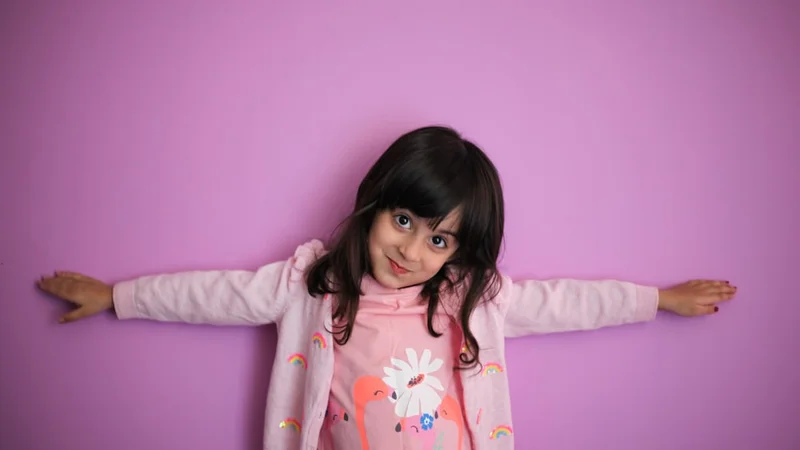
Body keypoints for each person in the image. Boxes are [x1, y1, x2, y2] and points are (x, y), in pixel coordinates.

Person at [36, 125, 736, 449]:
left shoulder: (471, 298)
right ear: (374, 202)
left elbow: (568, 304)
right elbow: (214, 295)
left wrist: (659, 300)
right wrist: (117, 297)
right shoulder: (310, 284)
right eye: (404, 220)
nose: (412, 249)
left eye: (439, 238)